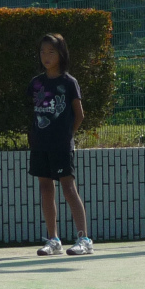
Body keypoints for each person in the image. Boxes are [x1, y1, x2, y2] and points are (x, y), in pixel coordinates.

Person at [28, 33, 93, 256]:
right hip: (40, 145)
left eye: (51, 52)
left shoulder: (69, 82)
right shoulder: (36, 83)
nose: (46, 56)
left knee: (68, 188)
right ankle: (53, 240)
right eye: (42, 51)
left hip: (61, 146)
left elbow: (79, 115)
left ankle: (84, 239)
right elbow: (34, 112)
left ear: (61, 54)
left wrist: (67, 136)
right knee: (45, 188)